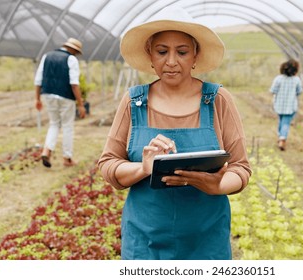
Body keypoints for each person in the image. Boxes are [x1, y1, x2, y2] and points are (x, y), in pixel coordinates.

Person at [97, 6, 251, 260]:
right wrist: (143, 169)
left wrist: (217, 185)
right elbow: (108, 165)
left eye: (182, 52)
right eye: (161, 51)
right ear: (150, 54)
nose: (171, 61)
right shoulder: (134, 102)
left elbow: (241, 168)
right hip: (144, 242)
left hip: (206, 240)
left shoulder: (217, 100)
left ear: (195, 56)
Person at [34, 38, 86, 168]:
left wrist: (37, 99)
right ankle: (67, 158)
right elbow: (74, 84)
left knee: (54, 124)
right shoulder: (71, 59)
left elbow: (38, 79)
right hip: (65, 96)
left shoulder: (47, 56)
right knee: (67, 126)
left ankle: (47, 151)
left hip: (48, 94)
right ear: (73, 49)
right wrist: (80, 104)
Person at [270, 59, 302, 151]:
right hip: (290, 106)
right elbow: (299, 91)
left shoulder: (278, 79)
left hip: (279, 105)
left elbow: (273, 90)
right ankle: (282, 138)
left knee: (281, 121)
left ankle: (280, 137)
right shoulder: (296, 80)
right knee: (286, 123)